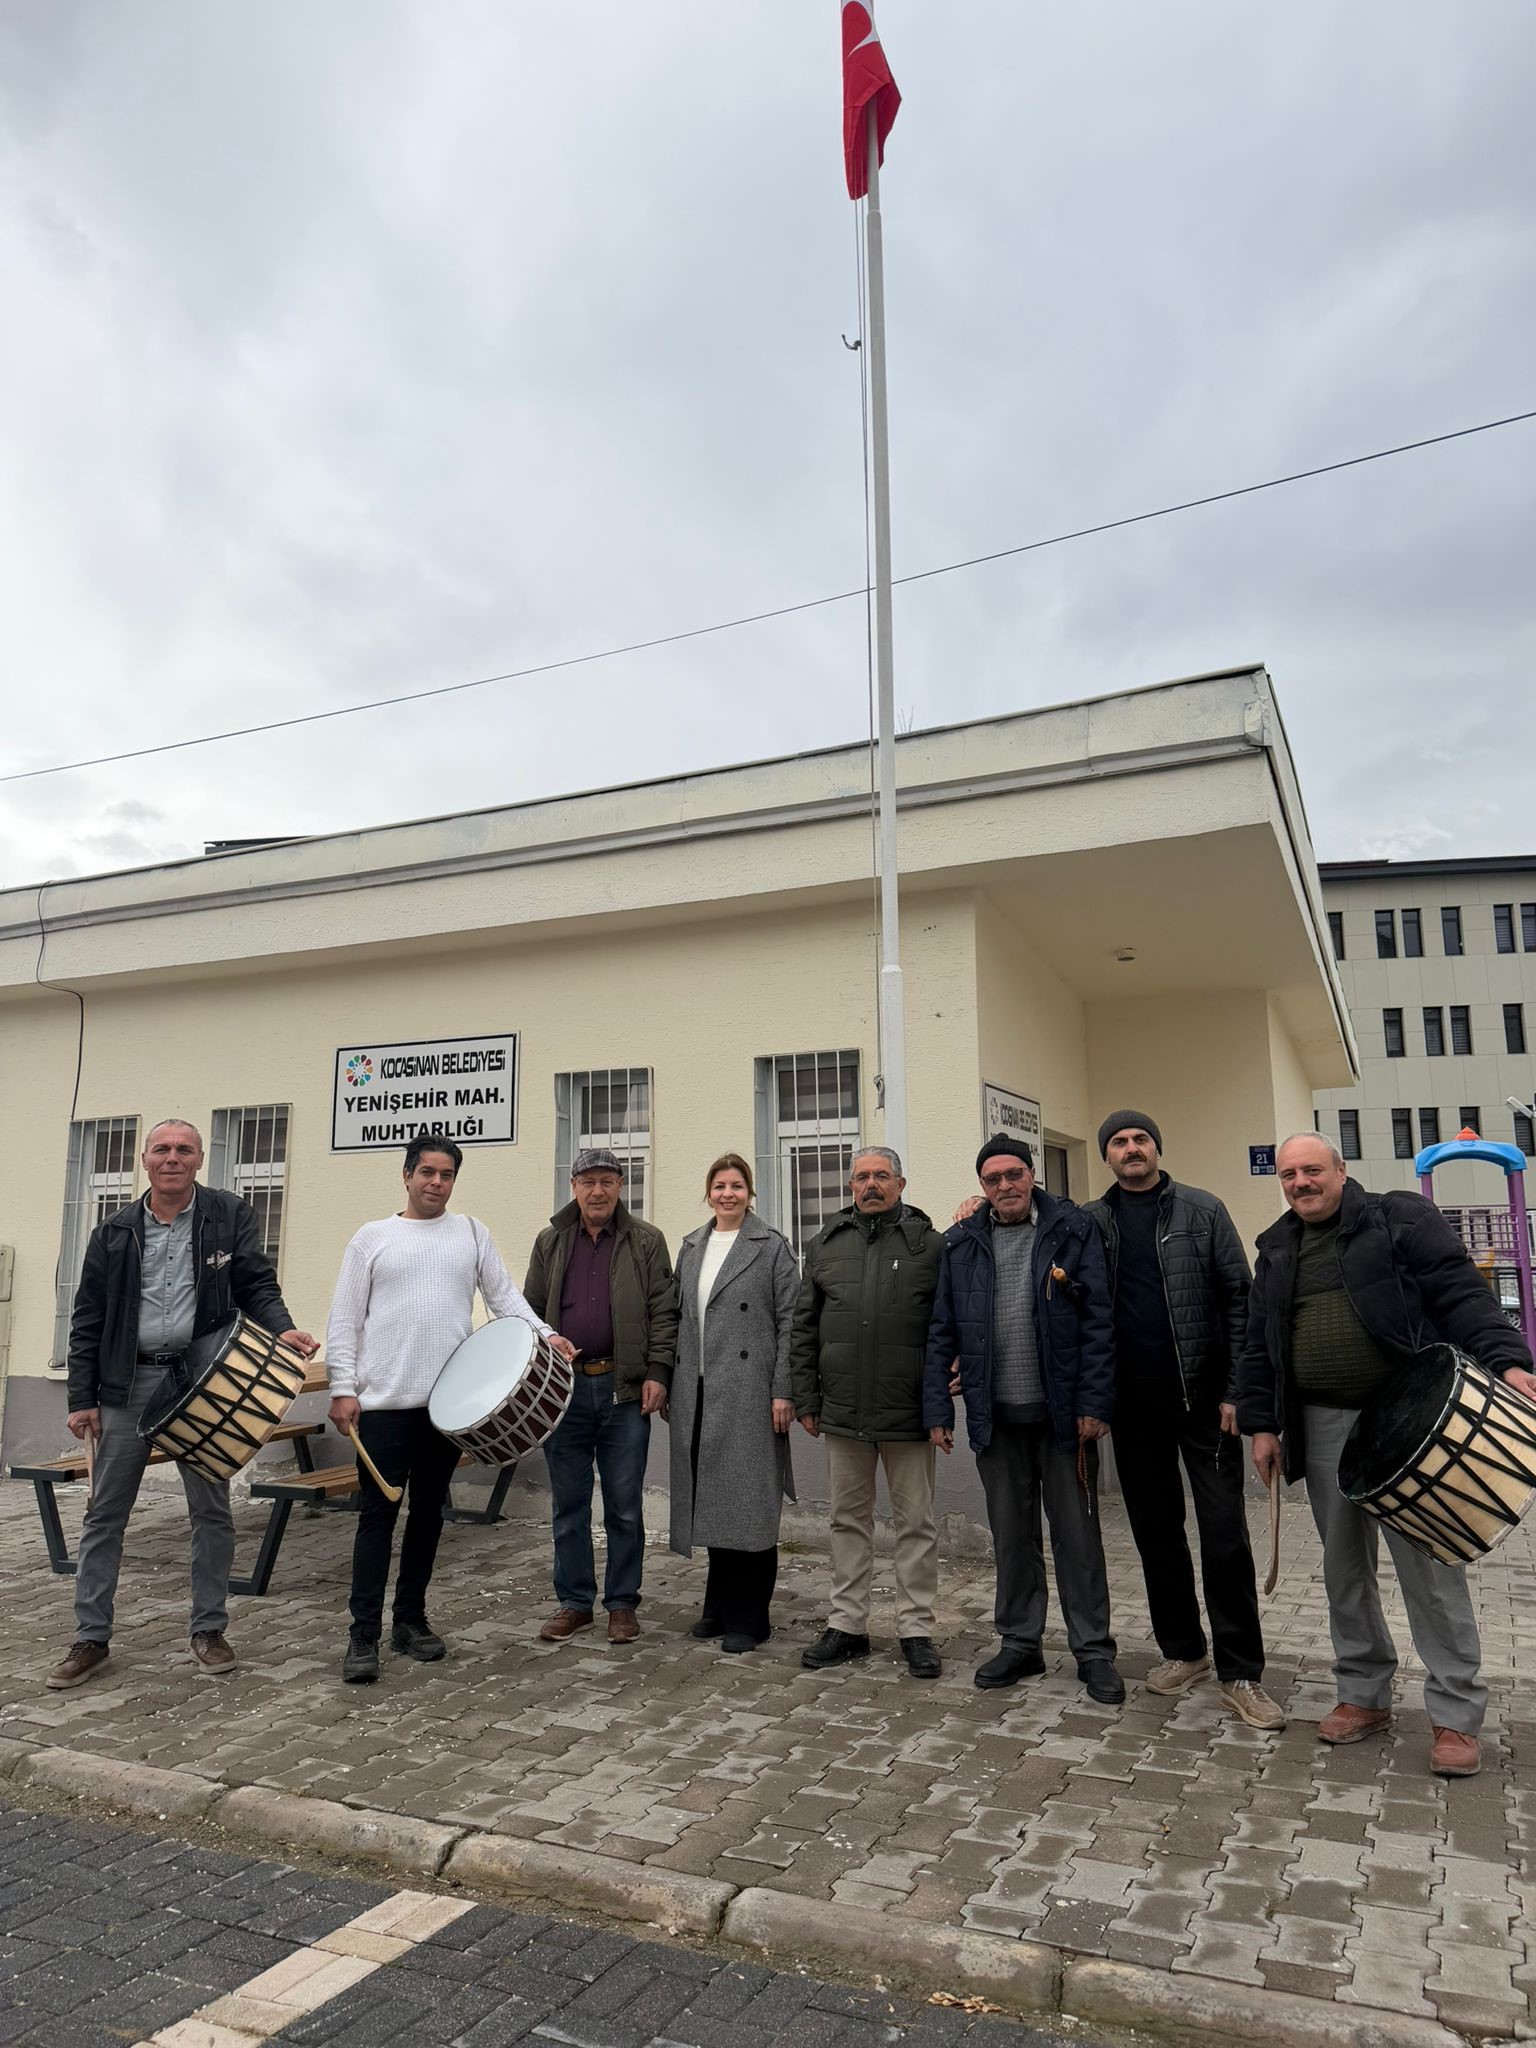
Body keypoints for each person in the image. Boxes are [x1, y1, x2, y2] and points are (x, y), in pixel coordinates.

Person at [1238, 1133, 1536, 1778]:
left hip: (1412, 1419)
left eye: (1312, 1170)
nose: (1300, 1183)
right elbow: (1260, 1343)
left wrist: (1509, 1362)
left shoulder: (1399, 1217)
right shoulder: (1276, 1246)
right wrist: (1261, 1425)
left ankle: (1455, 1714)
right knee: (1344, 1570)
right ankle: (1363, 1693)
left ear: (1341, 1170)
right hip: (1320, 1424)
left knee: (1430, 1569)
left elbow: (1461, 1294)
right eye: (1289, 1175)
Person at [49, 1118, 318, 1689]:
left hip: (203, 1382)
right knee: (104, 1514)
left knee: (211, 1511)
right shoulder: (112, 1232)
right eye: (162, 1149)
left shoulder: (228, 1215)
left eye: (184, 1150)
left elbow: (257, 1284)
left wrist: (283, 1329)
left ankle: (209, 1629)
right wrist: (81, 1397)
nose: (172, 1158)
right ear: (144, 1160)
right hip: (127, 1386)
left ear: (199, 1160)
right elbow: (88, 1318)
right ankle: (90, 1637)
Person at [326, 1136, 569, 1683]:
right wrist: (343, 1388)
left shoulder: (472, 1233)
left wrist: (546, 1334)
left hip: (446, 1411)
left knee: (428, 1516)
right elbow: (344, 1320)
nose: (436, 1183)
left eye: (447, 1174)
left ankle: (410, 1621)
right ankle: (362, 1635)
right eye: (427, 1172)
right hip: (384, 1408)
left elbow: (505, 1298)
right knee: (376, 1519)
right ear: (407, 1175)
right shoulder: (372, 1239)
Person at [1082, 1112, 1284, 1730]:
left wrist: (1237, 1392)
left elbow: (1240, 1302)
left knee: (1224, 1534)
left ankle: (1241, 1673)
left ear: (1157, 1148)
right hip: (1133, 1408)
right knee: (1156, 1533)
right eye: (1120, 1142)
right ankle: (1184, 1651)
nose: (1131, 1148)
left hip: (1206, 1406)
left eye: (1141, 1139)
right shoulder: (1091, 1221)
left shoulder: (1203, 1210)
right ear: (1107, 1156)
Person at [926, 1136, 1123, 1704]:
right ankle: (1020, 1643)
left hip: (1064, 1421)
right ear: (981, 1187)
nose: (1005, 1185)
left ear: (1032, 1174)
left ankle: (1094, 1651)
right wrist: (938, 1408)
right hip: (996, 1420)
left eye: (1014, 1174)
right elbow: (942, 1330)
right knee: (1012, 1539)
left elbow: (1099, 1321)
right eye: (993, 1179)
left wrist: (1095, 1404)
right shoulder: (961, 1242)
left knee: (1078, 1540)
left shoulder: (1072, 1229)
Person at [791, 1146, 945, 1678]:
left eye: (882, 1175)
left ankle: (916, 1630)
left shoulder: (931, 1246)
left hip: (909, 1412)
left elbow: (945, 1329)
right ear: (850, 1185)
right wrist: (806, 1398)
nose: (871, 1184)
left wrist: (939, 1404)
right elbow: (803, 1327)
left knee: (916, 1524)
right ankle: (847, 1626)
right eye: (862, 1177)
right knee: (847, 1522)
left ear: (901, 1183)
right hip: (843, 1409)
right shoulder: (826, 1244)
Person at [523, 1148, 678, 1644]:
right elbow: (528, 1312)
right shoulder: (550, 1241)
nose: (597, 1191)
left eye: (607, 1181)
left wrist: (658, 1372)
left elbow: (664, 1312)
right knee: (568, 1505)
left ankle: (621, 1604)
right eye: (588, 1182)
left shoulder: (647, 1241)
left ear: (620, 1186)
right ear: (573, 1187)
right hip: (563, 1391)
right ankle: (574, 1602)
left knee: (624, 1506)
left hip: (623, 1390)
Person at [667, 1153, 799, 1652]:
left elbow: (791, 1322)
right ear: (708, 1193)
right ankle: (718, 1606)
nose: (728, 1194)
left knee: (750, 1505)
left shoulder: (771, 1247)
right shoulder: (691, 1246)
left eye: (737, 1186)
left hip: (750, 1391)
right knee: (713, 1500)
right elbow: (678, 1319)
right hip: (697, 1390)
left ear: (750, 1193)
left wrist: (783, 1389)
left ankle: (751, 1617)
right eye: (720, 1186)